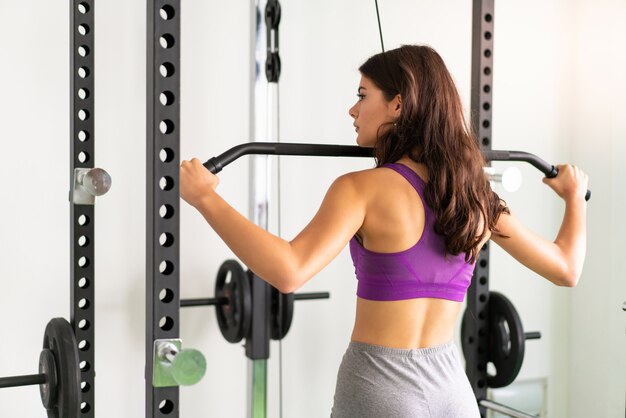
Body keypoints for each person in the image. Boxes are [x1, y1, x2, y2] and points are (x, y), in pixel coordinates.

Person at [180, 45, 588, 417]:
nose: (352, 111)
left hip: (379, 386)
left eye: (362, 95)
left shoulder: (361, 189)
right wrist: (573, 197)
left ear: (397, 103)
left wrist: (205, 199)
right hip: (453, 391)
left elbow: (289, 271)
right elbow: (566, 269)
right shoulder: (476, 198)